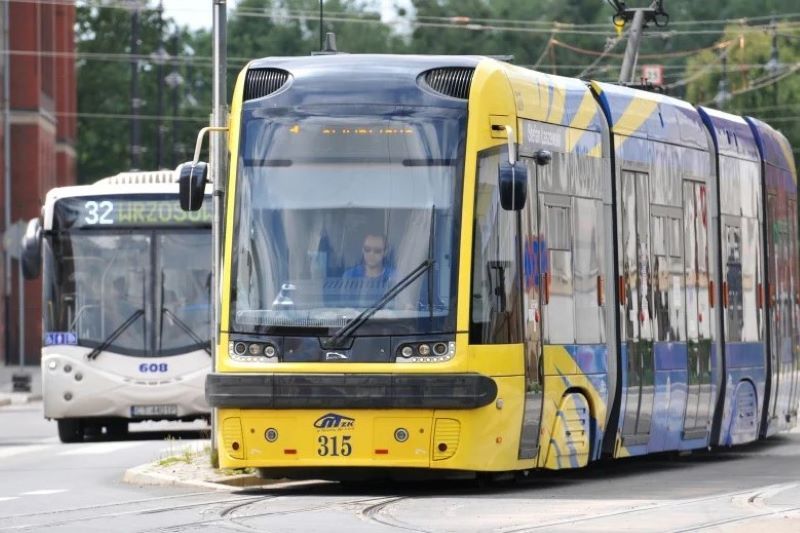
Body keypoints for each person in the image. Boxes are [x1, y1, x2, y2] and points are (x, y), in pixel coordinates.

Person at [342, 233, 396, 306]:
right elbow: (344, 305)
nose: (371, 254)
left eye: (377, 251)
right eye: (367, 250)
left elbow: (401, 303)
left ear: (385, 252)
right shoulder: (350, 275)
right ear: (362, 250)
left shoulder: (394, 276)